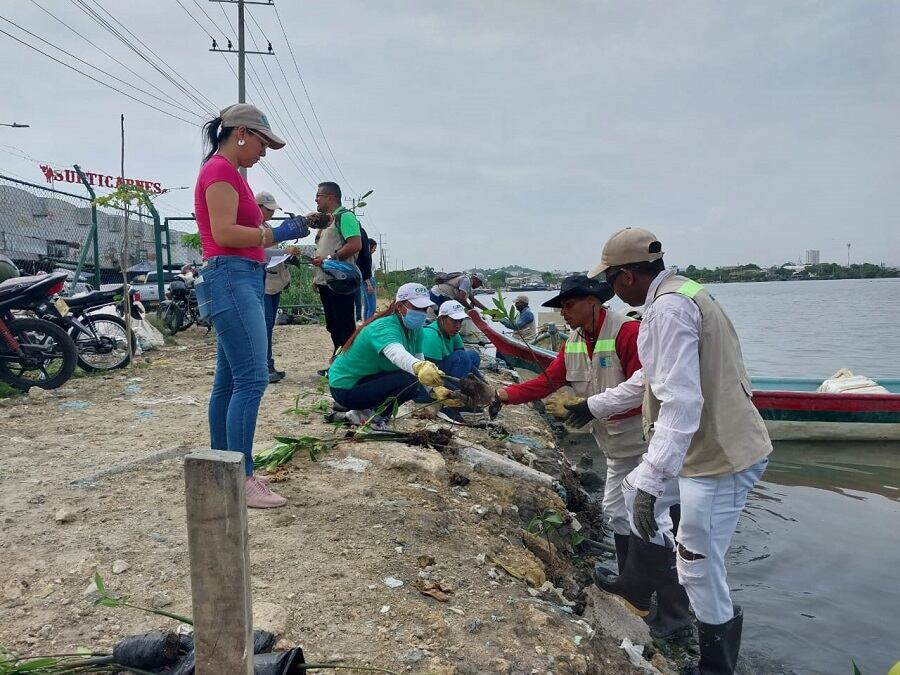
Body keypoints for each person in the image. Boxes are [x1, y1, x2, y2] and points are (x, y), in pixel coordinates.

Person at [566, 228, 772, 674]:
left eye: (612, 282)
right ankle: (639, 590)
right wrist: (594, 404)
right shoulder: (684, 295)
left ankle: (713, 665)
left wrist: (652, 477)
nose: (613, 293)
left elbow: (680, 402)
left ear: (625, 276)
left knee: (699, 562)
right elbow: (650, 381)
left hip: (719, 457)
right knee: (642, 506)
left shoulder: (667, 311)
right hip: (712, 449)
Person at [193, 103, 306, 509]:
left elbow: (240, 232)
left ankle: (222, 469)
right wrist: (274, 232)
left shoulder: (227, 172)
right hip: (232, 276)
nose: (264, 152)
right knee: (253, 379)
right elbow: (225, 232)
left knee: (229, 381)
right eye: (262, 142)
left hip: (241, 277)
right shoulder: (220, 171)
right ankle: (242, 477)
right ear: (241, 133)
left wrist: (288, 229)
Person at [328, 283, 454, 425]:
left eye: (424, 309)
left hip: (365, 380)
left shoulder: (416, 329)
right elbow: (396, 353)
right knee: (409, 381)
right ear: (400, 307)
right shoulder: (384, 327)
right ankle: (373, 418)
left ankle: (359, 413)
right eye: (417, 308)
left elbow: (418, 358)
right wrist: (419, 367)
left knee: (414, 380)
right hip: (345, 387)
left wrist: (436, 389)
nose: (421, 313)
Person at [312, 182, 362, 361]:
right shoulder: (327, 221)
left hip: (341, 281)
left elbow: (355, 244)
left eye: (319, 195)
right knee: (333, 325)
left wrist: (330, 259)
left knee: (344, 325)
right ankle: (339, 362)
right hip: (327, 281)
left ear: (330, 197)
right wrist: (316, 278)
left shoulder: (345, 217)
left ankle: (349, 364)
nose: (316, 199)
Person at [256, 190, 302, 384]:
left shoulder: (265, 226)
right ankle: (263, 368)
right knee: (264, 326)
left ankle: (268, 364)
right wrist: (285, 250)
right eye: (268, 209)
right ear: (257, 207)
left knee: (268, 326)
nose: (272, 213)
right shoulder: (254, 228)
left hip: (273, 284)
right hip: (264, 284)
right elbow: (261, 252)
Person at [363, 238, 378, 320]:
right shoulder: (366, 257)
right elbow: (364, 271)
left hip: (367, 281)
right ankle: (369, 324)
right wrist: (369, 284)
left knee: (367, 305)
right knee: (372, 306)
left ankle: (365, 323)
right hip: (368, 281)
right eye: (374, 248)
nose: (374, 250)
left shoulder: (366, 256)